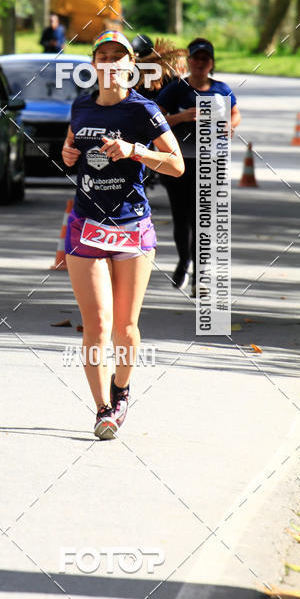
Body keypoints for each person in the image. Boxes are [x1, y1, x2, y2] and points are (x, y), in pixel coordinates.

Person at [61, 30, 184, 440]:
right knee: (96, 324)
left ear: (132, 65)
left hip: (131, 227)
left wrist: (135, 151)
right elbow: (70, 146)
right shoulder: (80, 105)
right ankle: (102, 411)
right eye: (104, 56)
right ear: (94, 64)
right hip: (86, 226)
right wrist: (68, 155)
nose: (111, 63)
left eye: (119, 56)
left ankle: (121, 389)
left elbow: (176, 164)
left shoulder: (143, 110)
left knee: (125, 329)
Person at [155, 38, 241, 294]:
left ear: (211, 63)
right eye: (196, 58)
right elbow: (156, 120)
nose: (200, 63)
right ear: (189, 61)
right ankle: (184, 262)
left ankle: (200, 275)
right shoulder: (175, 91)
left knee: (202, 219)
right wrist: (181, 117)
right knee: (181, 218)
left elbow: (235, 113)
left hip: (210, 164)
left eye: (205, 59)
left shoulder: (221, 90)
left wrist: (230, 125)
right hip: (179, 164)